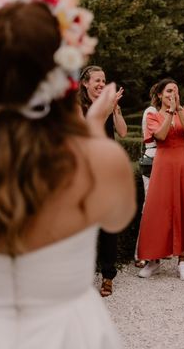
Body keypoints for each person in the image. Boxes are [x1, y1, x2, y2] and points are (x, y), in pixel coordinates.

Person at [0, 0, 136, 348]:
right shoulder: (98, 158)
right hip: (69, 335)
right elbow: (117, 217)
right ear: (66, 76)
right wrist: (92, 132)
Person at [135, 78, 184, 281]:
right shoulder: (153, 115)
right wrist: (170, 114)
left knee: (183, 208)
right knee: (157, 210)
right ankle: (153, 259)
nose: (172, 94)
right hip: (163, 164)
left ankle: (182, 261)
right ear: (159, 95)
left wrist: (179, 111)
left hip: (183, 163)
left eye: (175, 90)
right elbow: (162, 136)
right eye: (168, 91)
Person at [79, 65, 128, 297]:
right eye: (97, 80)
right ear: (85, 83)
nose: (101, 84)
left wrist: (116, 110)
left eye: (104, 80)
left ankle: (108, 276)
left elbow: (124, 132)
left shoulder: (109, 105)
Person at [134, 84, 158, 269]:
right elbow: (158, 136)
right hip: (154, 159)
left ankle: (158, 249)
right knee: (149, 205)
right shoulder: (151, 112)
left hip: (167, 160)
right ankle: (141, 251)